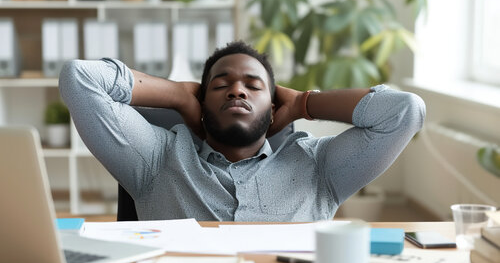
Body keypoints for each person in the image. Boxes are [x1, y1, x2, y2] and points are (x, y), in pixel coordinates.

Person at [59, 41, 425, 221]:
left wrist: (304, 103)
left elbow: (404, 112)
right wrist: (178, 95)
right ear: (202, 102)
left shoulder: (318, 166)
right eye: (220, 85)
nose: (237, 90)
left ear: (272, 109)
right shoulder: (156, 159)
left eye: (254, 86)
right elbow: (80, 79)